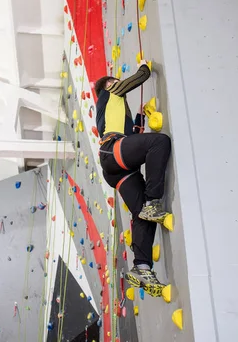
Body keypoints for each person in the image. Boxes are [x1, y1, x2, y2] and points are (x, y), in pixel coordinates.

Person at [95, 61, 171, 297]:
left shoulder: (114, 112)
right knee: (159, 142)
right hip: (114, 151)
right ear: (109, 85)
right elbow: (136, 79)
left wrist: (139, 119)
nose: (116, 82)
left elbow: (132, 136)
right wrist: (145, 69)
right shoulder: (110, 92)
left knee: (143, 215)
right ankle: (154, 202)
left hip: (115, 167)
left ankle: (142, 268)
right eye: (112, 80)